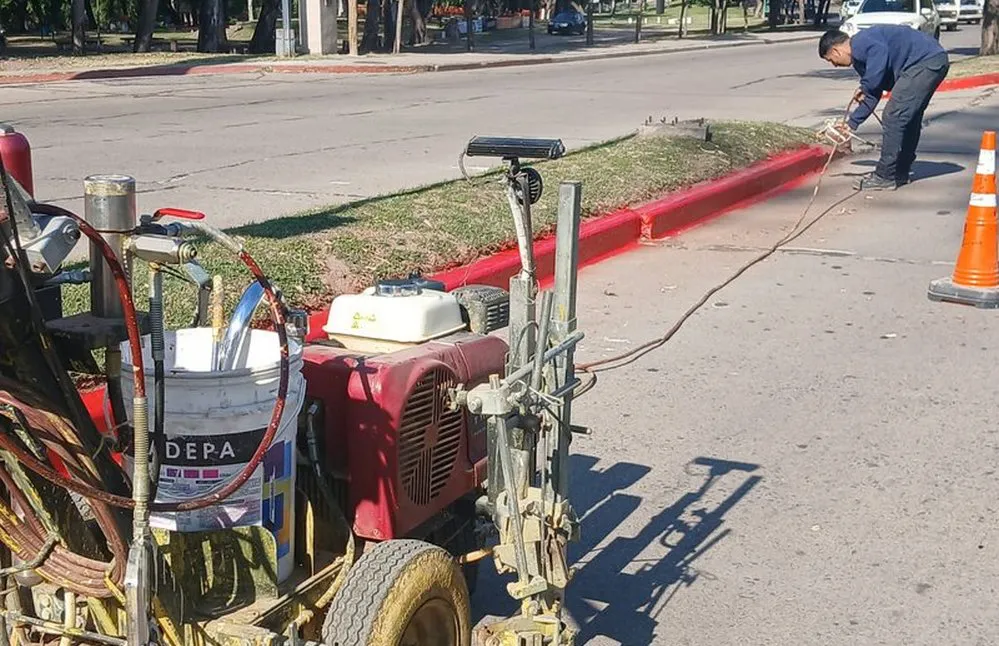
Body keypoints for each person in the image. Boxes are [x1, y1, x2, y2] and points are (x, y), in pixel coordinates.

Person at [818, 25, 949, 191]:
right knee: (908, 117)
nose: (834, 65)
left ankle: (885, 176)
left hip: (924, 62)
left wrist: (866, 86)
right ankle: (900, 171)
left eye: (830, 60)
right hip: (931, 61)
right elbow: (874, 92)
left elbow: (878, 57)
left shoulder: (860, 43)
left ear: (836, 51)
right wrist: (851, 123)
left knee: (893, 116)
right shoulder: (860, 59)